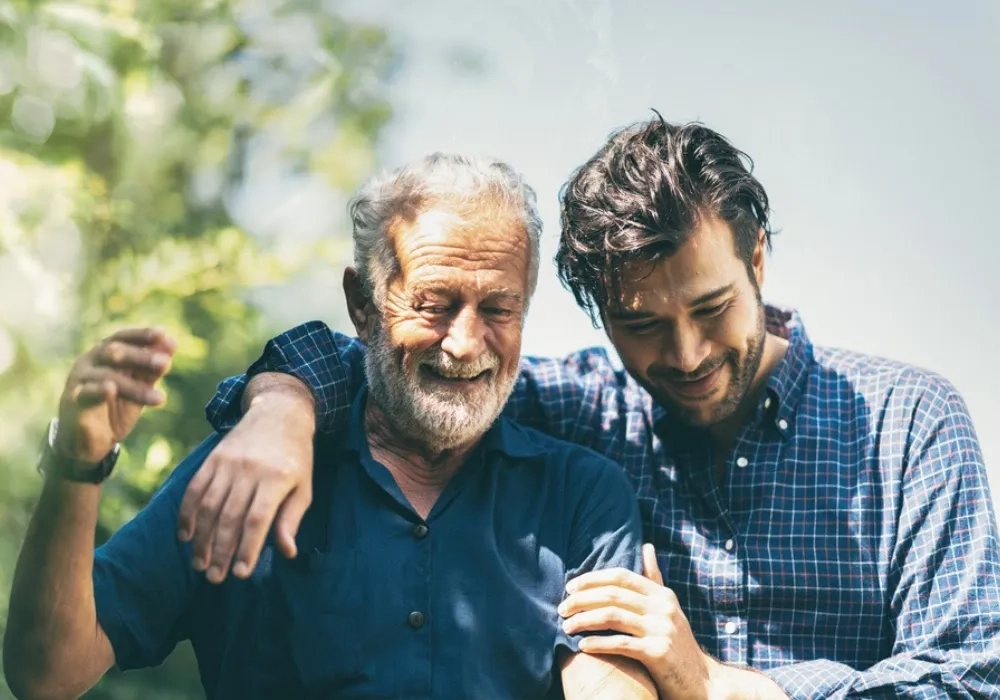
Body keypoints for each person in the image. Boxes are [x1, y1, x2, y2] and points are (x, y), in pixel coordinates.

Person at [178, 116, 1000, 699]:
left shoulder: (910, 425)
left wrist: (718, 687)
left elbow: (971, 679)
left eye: (712, 309)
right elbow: (400, 363)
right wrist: (279, 405)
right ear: (596, 310)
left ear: (758, 258)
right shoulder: (578, 413)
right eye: (641, 325)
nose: (684, 356)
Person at [3, 154, 658, 699]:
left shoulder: (582, 494)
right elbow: (45, 672)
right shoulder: (246, 467)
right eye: (433, 305)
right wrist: (78, 461)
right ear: (362, 305)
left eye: (498, 308)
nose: (464, 342)